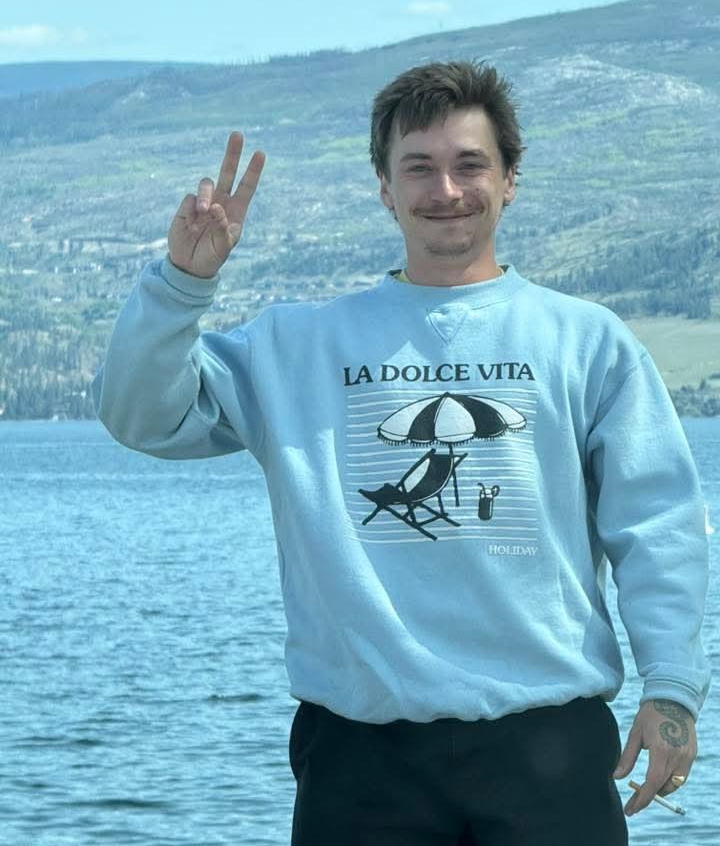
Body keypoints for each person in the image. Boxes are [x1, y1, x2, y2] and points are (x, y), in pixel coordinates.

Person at [92, 60, 710, 845]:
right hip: (361, 763)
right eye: (418, 167)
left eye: (469, 164)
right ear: (385, 188)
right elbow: (139, 416)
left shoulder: (587, 342)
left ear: (510, 179)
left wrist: (672, 689)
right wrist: (182, 283)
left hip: (549, 749)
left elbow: (657, 525)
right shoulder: (297, 345)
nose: (445, 190)